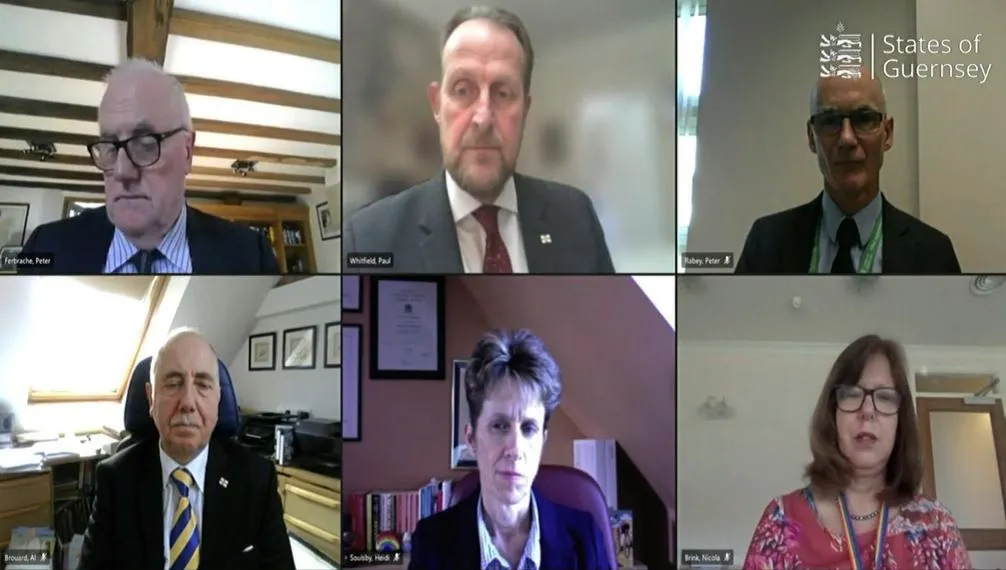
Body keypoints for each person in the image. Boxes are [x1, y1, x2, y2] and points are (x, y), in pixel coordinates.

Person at [343, 6, 614, 274]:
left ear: (525, 109)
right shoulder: (368, 239)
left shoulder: (577, 217)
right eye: (462, 90)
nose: (482, 118)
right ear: (437, 105)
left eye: (503, 93)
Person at [18, 59, 279, 275]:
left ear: (187, 151)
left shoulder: (251, 257)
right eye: (109, 145)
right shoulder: (43, 249)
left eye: (145, 144)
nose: (121, 172)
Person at [743, 335, 971, 569]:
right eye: (852, 394)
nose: (868, 410)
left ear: (900, 423)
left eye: (884, 397)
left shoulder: (936, 524)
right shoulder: (781, 519)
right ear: (832, 416)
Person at [79, 329, 294, 570]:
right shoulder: (116, 479)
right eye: (173, 383)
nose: (188, 403)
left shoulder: (257, 480)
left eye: (202, 384)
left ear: (218, 399)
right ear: (151, 399)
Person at [409, 329, 610, 569]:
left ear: (542, 441)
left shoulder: (585, 538)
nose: (515, 449)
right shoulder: (432, 543)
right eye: (499, 426)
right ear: (471, 439)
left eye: (528, 428)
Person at [735, 67, 960, 274]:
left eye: (864, 119)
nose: (847, 139)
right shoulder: (766, 243)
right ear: (811, 138)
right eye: (830, 121)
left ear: (888, 133)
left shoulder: (934, 254)